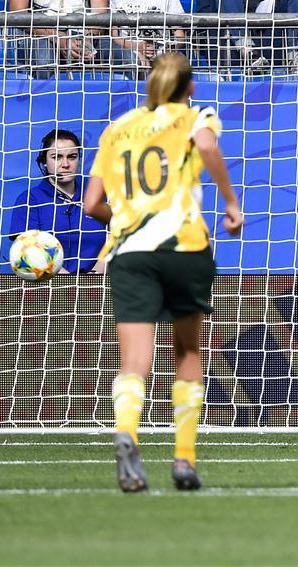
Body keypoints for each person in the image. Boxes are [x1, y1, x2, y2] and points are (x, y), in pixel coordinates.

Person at [83, 53, 244, 493]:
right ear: (189, 87)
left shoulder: (117, 129)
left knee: (134, 360)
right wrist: (230, 203)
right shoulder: (197, 115)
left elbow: (91, 204)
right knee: (187, 353)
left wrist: (127, 217)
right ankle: (184, 460)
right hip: (183, 246)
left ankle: (127, 434)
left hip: (130, 252)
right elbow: (208, 146)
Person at [9, 129, 107, 273]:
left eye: (72, 157)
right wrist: (66, 282)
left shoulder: (98, 195)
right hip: (48, 288)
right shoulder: (30, 200)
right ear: (44, 161)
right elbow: (27, 251)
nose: (65, 164)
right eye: (57, 157)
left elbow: (117, 241)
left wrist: (93, 277)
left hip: (98, 285)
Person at [195, 0, 298, 73]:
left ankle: (297, 57)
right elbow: (203, 16)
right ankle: (248, 52)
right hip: (230, 48)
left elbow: (288, 5)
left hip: (268, 44)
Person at [4, 0, 111, 70]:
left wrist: (87, 39)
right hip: (38, 31)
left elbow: (99, 14)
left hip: (83, 32)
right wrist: (60, 38)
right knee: (44, 58)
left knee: (119, 52)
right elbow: (18, 13)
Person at [110, 0, 187, 72]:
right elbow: (114, 37)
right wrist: (138, 47)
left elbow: (179, 34)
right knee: (137, 63)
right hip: (130, 51)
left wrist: (167, 50)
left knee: (177, 64)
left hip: (162, 51)